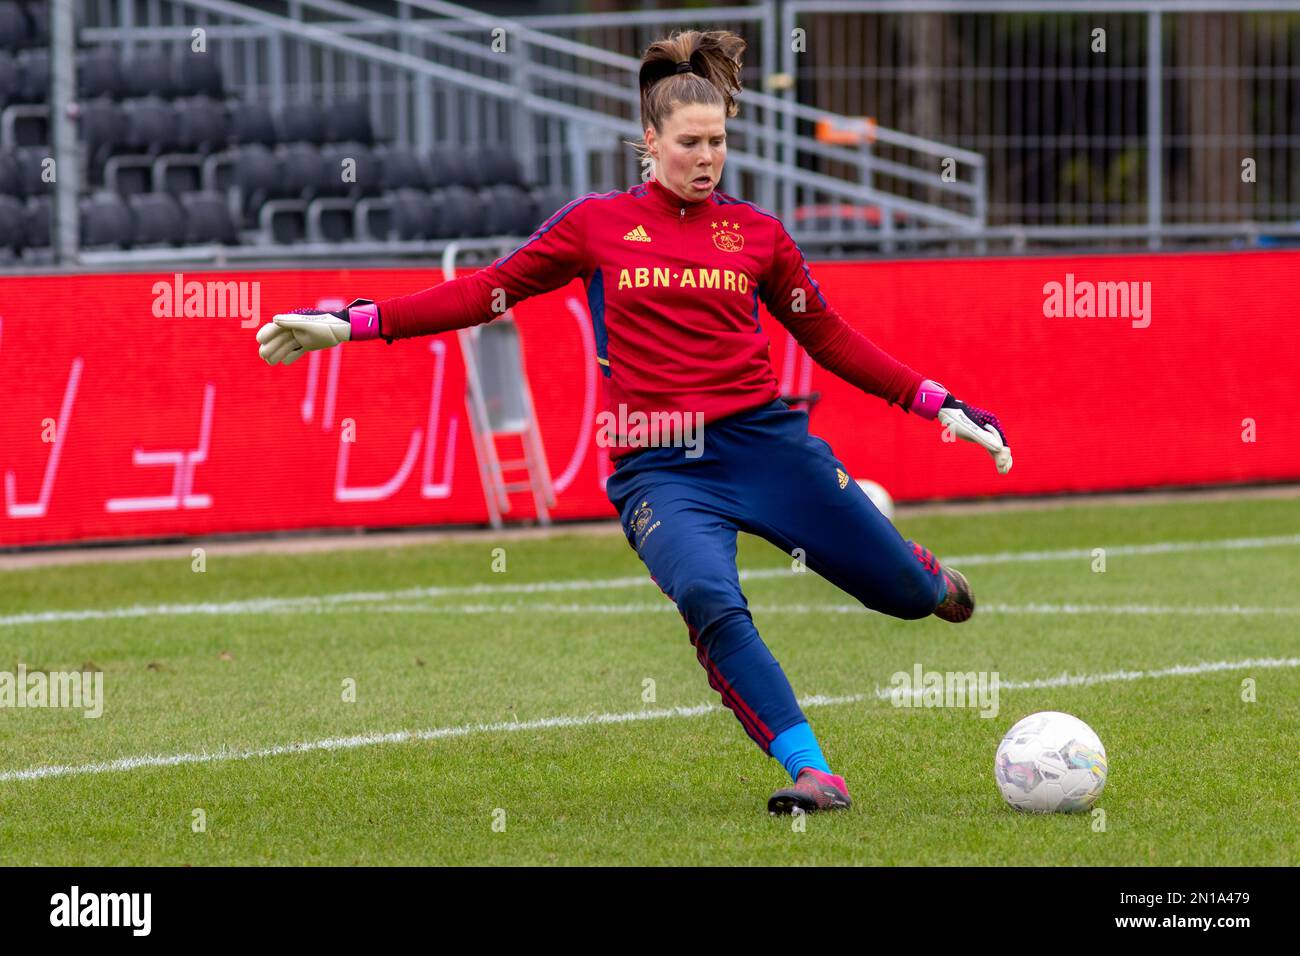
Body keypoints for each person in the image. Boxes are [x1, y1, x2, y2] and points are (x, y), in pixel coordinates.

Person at [255, 29, 1012, 815]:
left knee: (900, 596)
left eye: (718, 141)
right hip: (657, 465)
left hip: (767, 446)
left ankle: (923, 578)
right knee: (711, 601)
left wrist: (937, 401)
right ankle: (814, 770)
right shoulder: (594, 225)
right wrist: (355, 320)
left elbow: (827, 337)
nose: (707, 157)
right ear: (650, 143)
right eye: (690, 142)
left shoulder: (757, 235)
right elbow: (485, 292)